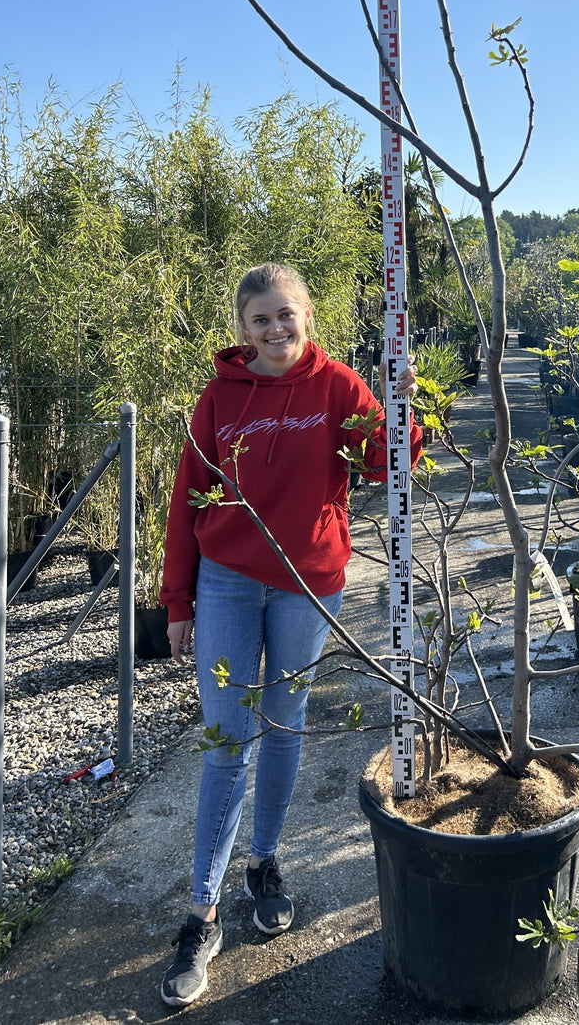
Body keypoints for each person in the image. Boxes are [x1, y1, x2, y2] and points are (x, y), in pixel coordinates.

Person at [158, 262, 421, 1008]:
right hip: (227, 583)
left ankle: (265, 863)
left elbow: (385, 462)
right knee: (227, 736)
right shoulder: (219, 399)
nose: (276, 330)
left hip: (309, 583)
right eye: (260, 320)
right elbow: (186, 503)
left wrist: (403, 409)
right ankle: (202, 910)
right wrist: (178, 599)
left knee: (284, 725)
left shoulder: (337, 386)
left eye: (286, 315)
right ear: (241, 331)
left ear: (309, 316)